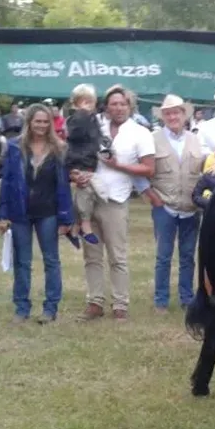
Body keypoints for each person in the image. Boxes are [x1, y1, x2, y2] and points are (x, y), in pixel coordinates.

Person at [72, 85, 156, 322]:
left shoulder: (140, 132)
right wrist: (75, 174)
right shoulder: (92, 123)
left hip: (116, 200)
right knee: (91, 255)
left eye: (122, 104)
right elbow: (74, 151)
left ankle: (120, 304)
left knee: (117, 256)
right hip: (88, 197)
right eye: (113, 104)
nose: (118, 108)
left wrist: (118, 165)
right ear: (106, 106)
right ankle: (95, 302)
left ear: (130, 106)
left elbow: (149, 169)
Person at [0, 104, 73, 324]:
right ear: (29, 122)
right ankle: (22, 308)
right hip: (20, 212)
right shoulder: (14, 147)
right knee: (22, 261)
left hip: (48, 212)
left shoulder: (60, 148)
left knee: (51, 260)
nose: (41, 125)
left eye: (46, 121)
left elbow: (64, 186)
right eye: (37, 121)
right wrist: (2, 214)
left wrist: (66, 217)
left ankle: (50, 308)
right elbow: (7, 182)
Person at [136, 94, 203, 314]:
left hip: (191, 208)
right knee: (163, 256)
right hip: (164, 205)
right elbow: (140, 173)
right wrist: (151, 196)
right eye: (168, 113)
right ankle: (161, 300)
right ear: (163, 116)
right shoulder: (151, 139)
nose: (173, 117)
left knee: (188, 256)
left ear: (184, 115)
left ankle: (187, 299)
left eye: (176, 112)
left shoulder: (196, 139)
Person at [64, 83, 110, 246]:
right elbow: (75, 137)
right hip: (80, 160)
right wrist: (83, 114)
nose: (90, 106)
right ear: (77, 103)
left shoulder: (92, 119)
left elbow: (95, 138)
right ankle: (85, 226)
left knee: (90, 193)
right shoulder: (78, 118)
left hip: (89, 159)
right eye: (85, 102)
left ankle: (75, 228)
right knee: (85, 191)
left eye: (91, 102)